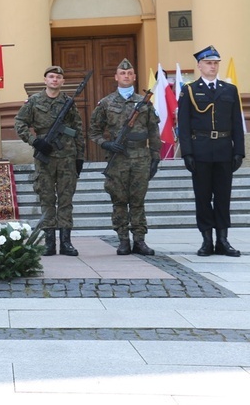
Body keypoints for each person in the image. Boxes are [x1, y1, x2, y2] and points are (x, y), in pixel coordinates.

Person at [89, 58, 162, 256]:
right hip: (118, 158)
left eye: (129, 73)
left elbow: (153, 130)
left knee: (138, 201)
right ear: (116, 77)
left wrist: (155, 156)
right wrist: (106, 144)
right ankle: (123, 240)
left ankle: (139, 240)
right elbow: (93, 130)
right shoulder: (106, 103)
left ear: (134, 77)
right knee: (119, 200)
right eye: (123, 73)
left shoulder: (144, 102)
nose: (126, 76)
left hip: (140, 157)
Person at [178, 45, 245, 257]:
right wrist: (187, 153)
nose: (213, 66)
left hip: (225, 149)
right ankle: (207, 240)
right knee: (203, 197)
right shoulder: (189, 90)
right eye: (208, 63)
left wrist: (239, 151)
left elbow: (237, 122)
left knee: (224, 196)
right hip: (201, 150)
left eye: (216, 63)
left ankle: (223, 240)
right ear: (199, 65)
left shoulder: (229, 89)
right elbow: (184, 124)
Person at [15, 66, 84, 257]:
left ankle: (66, 242)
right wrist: (34, 141)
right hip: (44, 157)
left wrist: (80, 157)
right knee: (46, 198)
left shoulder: (68, 103)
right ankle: (49, 243)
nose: (54, 80)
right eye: (51, 77)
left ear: (62, 82)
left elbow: (77, 130)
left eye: (58, 77)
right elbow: (19, 123)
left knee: (65, 200)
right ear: (45, 80)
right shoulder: (34, 102)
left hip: (67, 158)